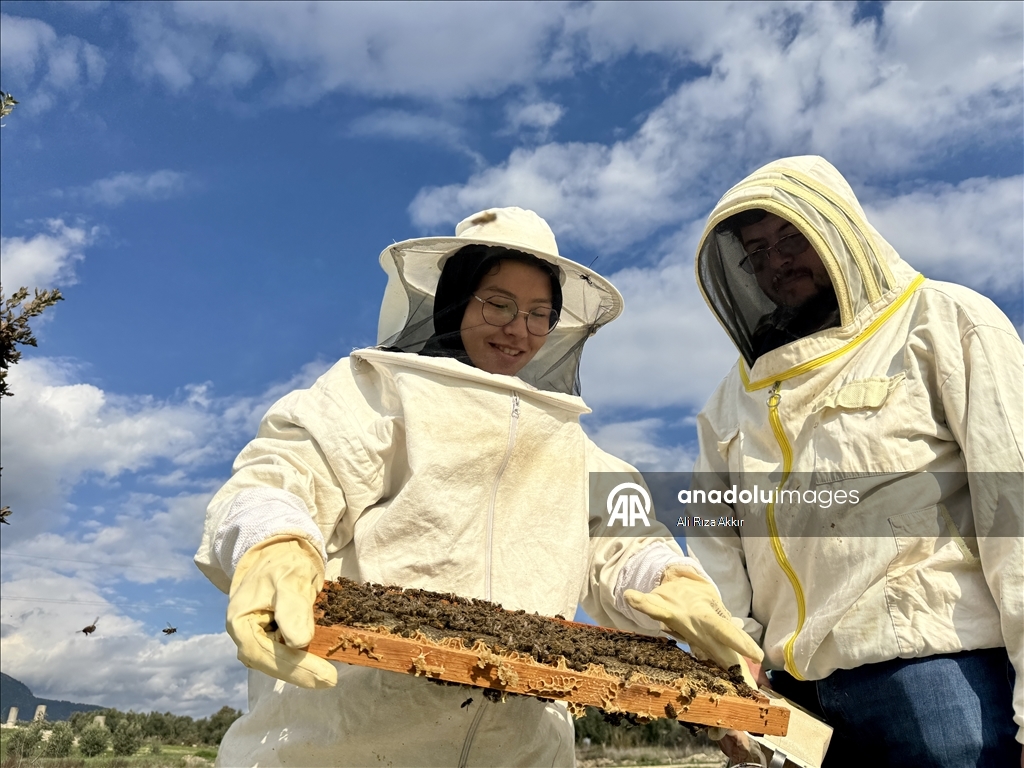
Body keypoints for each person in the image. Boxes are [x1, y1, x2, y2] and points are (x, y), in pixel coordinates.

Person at [195, 207, 762, 767]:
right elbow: (287, 471)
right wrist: (274, 538)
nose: (519, 328)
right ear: (456, 299)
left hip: (523, 753)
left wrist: (670, 580)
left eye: (540, 313)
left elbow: (623, 544)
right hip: (340, 743)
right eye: (499, 303)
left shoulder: (574, 445)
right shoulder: (376, 392)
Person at [685, 155, 1023, 767]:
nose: (775, 261)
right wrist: (735, 687)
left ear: (839, 230)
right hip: (794, 705)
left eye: (792, 237)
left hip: (939, 680)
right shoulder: (728, 403)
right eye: (756, 252)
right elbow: (717, 557)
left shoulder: (945, 321)